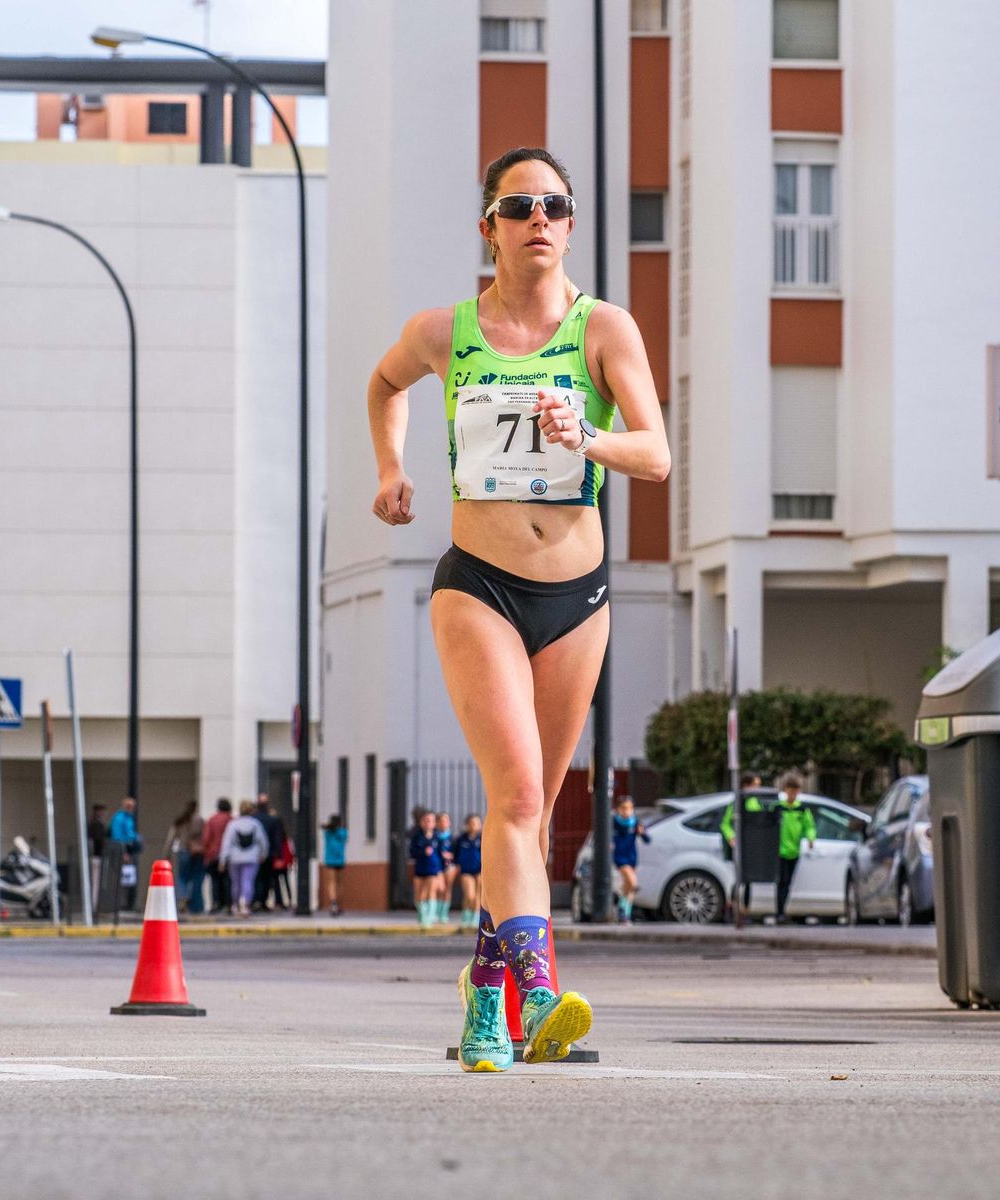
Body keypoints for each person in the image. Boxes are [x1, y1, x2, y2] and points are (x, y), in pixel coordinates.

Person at [367, 144, 669, 1072]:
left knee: (531, 823)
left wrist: (593, 438)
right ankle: (535, 991)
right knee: (518, 794)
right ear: (489, 225)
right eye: (519, 205)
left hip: (577, 598)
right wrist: (391, 469)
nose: (539, 219)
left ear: (572, 225)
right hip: (480, 588)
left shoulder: (605, 330)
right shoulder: (442, 330)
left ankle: (482, 998)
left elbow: (655, 455)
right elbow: (384, 386)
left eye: (555, 205)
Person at [770, 772, 816, 925]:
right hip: (779, 851)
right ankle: (779, 912)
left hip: (794, 850)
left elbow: (809, 826)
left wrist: (810, 838)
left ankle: (782, 911)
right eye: (791, 790)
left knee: (787, 882)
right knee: (781, 882)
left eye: (796, 790)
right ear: (785, 790)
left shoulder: (802, 809)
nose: (793, 794)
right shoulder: (777, 808)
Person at [720, 773, 768, 913]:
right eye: (755, 785)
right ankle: (732, 905)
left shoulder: (756, 801)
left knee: (749, 880)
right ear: (746, 786)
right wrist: (731, 838)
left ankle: (745, 909)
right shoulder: (737, 802)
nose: (758, 788)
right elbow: (725, 824)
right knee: (741, 877)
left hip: (752, 845)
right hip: (741, 845)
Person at [218, 800, 269, 918]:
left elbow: (227, 842)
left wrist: (223, 859)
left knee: (236, 883)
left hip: (235, 858)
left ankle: (235, 904)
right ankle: (245, 905)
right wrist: (263, 854)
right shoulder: (256, 824)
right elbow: (263, 841)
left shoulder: (233, 824)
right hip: (251, 857)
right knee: (248, 881)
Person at [610, 796, 651, 924]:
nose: (627, 811)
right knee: (632, 883)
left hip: (632, 857)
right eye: (623, 808)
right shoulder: (613, 822)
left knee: (629, 887)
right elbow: (608, 836)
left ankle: (624, 913)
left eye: (629, 808)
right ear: (617, 810)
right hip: (620, 857)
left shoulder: (635, 822)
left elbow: (647, 840)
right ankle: (622, 908)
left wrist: (642, 832)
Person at [168, 801, 206, 916]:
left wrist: (167, 854)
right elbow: (204, 835)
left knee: (182, 877)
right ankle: (195, 903)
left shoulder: (180, 821)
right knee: (196, 877)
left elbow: (172, 838)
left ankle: (182, 899)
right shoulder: (199, 820)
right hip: (196, 851)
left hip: (182, 851)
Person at [408, 810, 445, 928]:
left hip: (433, 869)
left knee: (431, 892)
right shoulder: (416, 837)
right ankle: (422, 915)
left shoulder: (437, 837)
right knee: (419, 894)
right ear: (421, 823)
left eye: (430, 821)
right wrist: (422, 851)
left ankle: (429, 918)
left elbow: (440, 855)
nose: (428, 823)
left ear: (434, 823)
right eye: (425, 820)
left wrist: (441, 872)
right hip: (420, 868)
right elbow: (412, 853)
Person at [108, 796, 141, 911]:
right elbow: (118, 836)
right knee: (121, 878)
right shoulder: (120, 818)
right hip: (122, 850)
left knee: (127, 878)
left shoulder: (127, 817)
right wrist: (124, 852)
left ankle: (127, 903)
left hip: (128, 849)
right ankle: (120, 903)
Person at [451, 815, 483, 929]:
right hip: (466, 871)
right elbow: (455, 854)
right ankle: (466, 915)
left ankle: (475, 918)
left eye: (477, 823)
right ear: (467, 825)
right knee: (469, 895)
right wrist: (456, 865)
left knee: (478, 896)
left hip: (479, 870)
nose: (474, 825)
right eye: (472, 823)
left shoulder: (483, 838)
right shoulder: (461, 839)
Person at [202, 798, 233, 914]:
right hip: (228, 856)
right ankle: (226, 904)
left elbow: (206, 838)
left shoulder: (212, 820)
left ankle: (216, 903)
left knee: (214, 881)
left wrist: (206, 853)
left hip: (213, 854)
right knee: (227, 881)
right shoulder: (231, 820)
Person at [322, 813, 349, 917]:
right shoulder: (343, 832)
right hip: (340, 860)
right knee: (340, 883)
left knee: (331, 882)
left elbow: (325, 829)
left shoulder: (328, 832)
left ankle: (333, 904)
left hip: (329, 860)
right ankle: (340, 905)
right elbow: (345, 839)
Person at [435, 812, 456, 925]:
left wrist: (451, 856)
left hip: (449, 866)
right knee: (439, 888)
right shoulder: (434, 836)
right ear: (437, 823)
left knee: (447, 888)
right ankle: (436, 912)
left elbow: (456, 852)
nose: (444, 823)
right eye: (441, 821)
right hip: (438, 866)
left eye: (446, 820)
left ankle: (444, 914)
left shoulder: (452, 838)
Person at [86, 802, 107, 911]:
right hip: (96, 856)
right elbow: (100, 840)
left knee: (95, 882)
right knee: (95, 883)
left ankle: (94, 905)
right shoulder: (96, 824)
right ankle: (94, 906)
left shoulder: (93, 823)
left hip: (95, 856)